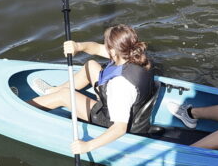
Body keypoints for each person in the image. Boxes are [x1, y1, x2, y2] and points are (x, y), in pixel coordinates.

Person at [30, 24, 155, 154]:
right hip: (123, 100)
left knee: (65, 95)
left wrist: (87, 146)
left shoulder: (120, 86)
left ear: (113, 51)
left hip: (110, 119)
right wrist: (78, 46)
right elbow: (95, 48)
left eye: (107, 45)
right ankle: (51, 91)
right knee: (91, 65)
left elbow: (119, 128)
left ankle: (26, 106)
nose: (105, 47)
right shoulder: (134, 55)